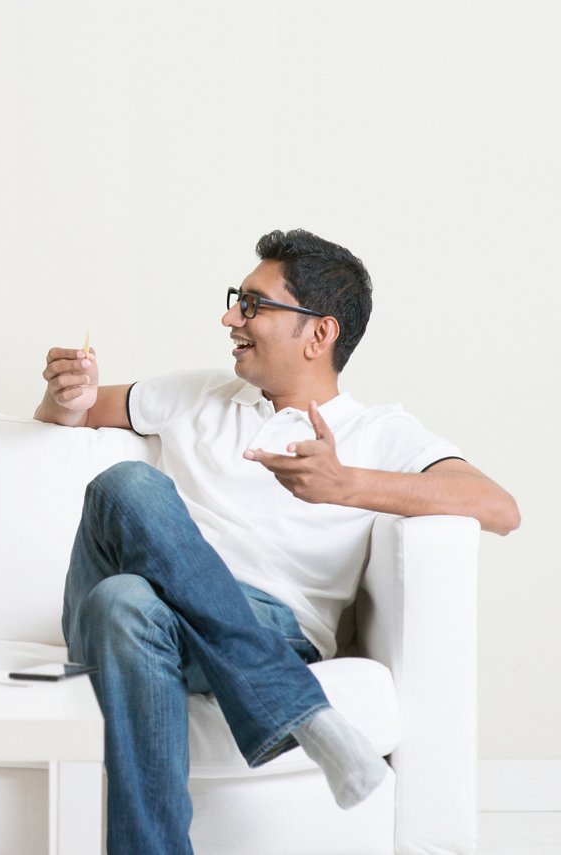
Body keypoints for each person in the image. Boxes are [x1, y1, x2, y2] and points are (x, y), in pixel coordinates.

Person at [35, 229, 519, 853]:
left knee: (123, 599)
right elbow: (71, 414)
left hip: (267, 628)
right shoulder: (196, 393)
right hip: (187, 642)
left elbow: (499, 508)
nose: (230, 317)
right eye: (239, 298)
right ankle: (298, 710)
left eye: (255, 305)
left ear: (319, 334)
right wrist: (65, 395)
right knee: (125, 483)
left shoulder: (378, 432)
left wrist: (345, 483)